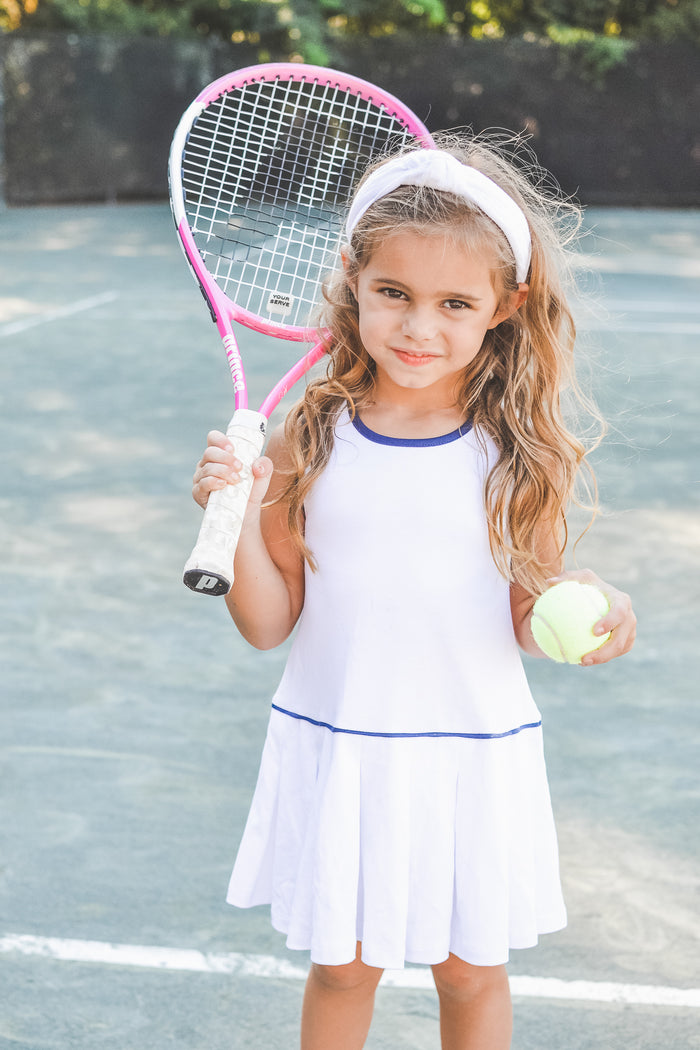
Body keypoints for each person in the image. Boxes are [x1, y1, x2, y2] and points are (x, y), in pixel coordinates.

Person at [191, 135, 636, 1050]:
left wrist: (595, 614)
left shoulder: (520, 460)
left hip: (470, 754)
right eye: (393, 292)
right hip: (343, 746)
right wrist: (237, 519)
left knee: (472, 976)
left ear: (505, 308)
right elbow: (269, 624)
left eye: (454, 303)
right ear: (353, 278)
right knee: (343, 968)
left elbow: (532, 615)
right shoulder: (304, 446)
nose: (417, 327)